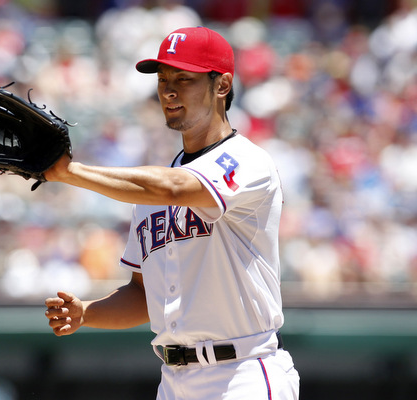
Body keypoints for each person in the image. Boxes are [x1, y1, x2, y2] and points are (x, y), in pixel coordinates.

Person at [44, 26, 300, 400]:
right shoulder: (151, 189)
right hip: (174, 381)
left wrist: (70, 172)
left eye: (185, 78)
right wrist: (87, 312)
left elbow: (178, 188)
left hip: (244, 374)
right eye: (163, 79)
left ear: (222, 85)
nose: (169, 89)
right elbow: (142, 294)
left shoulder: (246, 161)